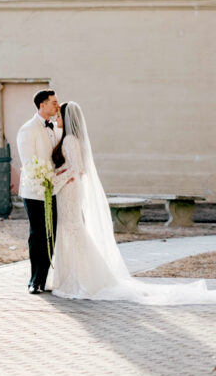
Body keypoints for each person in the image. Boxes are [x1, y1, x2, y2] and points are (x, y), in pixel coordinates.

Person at [47, 101, 216, 304]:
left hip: (69, 191)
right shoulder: (72, 139)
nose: (56, 118)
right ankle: (73, 275)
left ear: (65, 118)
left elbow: (77, 169)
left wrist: (55, 180)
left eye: (58, 115)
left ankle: (79, 277)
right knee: (70, 229)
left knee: (71, 229)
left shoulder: (70, 140)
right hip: (70, 190)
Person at [16, 89, 62, 294]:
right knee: (38, 235)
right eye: (53, 103)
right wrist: (44, 180)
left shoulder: (55, 128)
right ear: (42, 105)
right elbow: (28, 163)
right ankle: (34, 281)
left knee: (51, 235)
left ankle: (43, 280)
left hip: (53, 190)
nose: (57, 106)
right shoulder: (28, 129)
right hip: (34, 192)